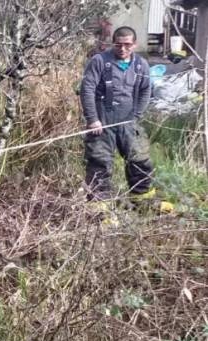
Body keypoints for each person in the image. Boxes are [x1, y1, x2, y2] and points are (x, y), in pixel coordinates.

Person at [79, 26, 161, 222]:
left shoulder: (141, 65)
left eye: (127, 45)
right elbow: (87, 89)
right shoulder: (99, 62)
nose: (122, 49)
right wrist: (93, 119)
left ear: (134, 44)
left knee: (140, 161)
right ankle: (101, 213)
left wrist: (137, 116)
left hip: (128, 122)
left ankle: (142, 203)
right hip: (102, 123)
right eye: (118, 44)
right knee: (100, 165)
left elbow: (145, 91)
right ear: (112, 43)